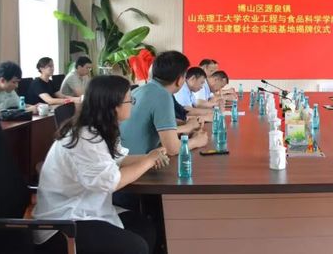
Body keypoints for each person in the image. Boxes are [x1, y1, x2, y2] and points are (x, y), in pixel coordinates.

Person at [33, 75, 168, 254]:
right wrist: (148, 161)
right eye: (130, 100)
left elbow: (117, 159)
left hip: (87, 208)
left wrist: (151, 157)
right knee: (136, 246)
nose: (132, 104)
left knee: (145, 228)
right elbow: (112, 182)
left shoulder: (101, 128)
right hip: (63, 224)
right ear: (113, 106)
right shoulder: (86, 137)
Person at [120, 51, 208, 156]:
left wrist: (184, 124)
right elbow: (173, 149)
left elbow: (154, 121)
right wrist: (197, 141)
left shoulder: (139, 90)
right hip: (136, 160)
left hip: (123, 158)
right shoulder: (163, 96)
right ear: (179, 80)